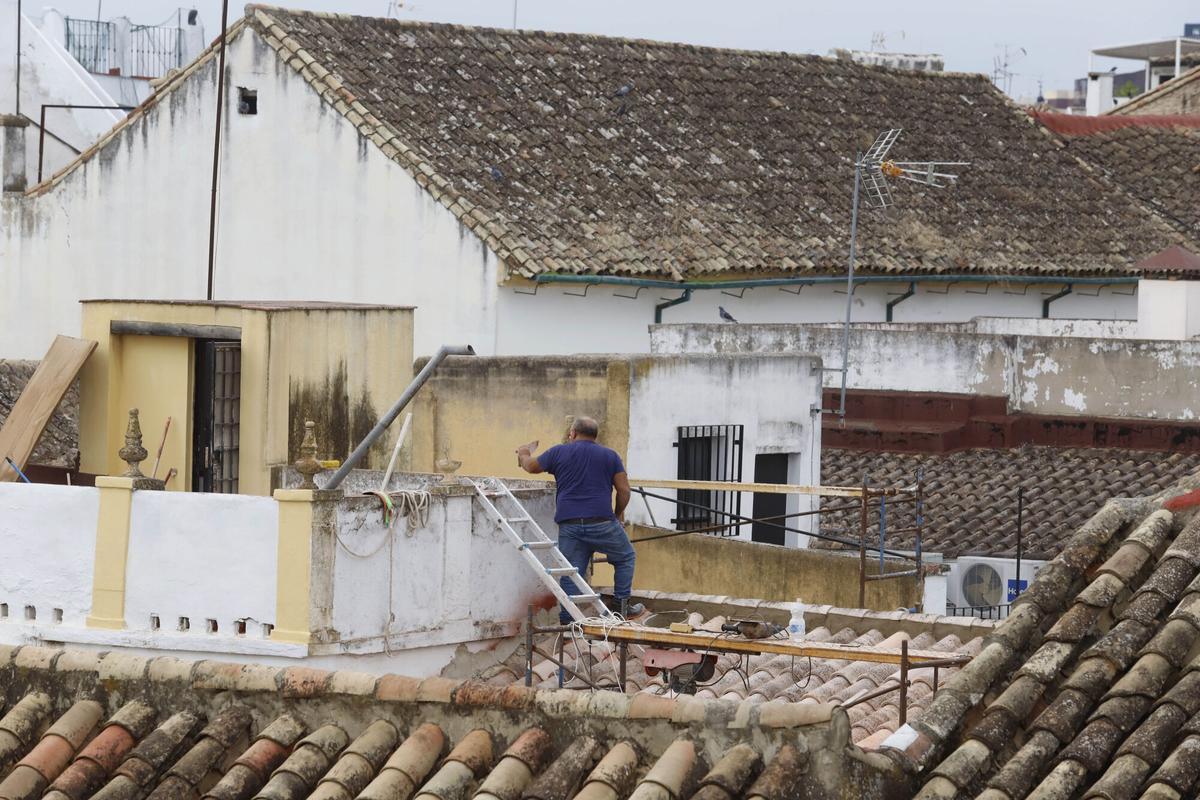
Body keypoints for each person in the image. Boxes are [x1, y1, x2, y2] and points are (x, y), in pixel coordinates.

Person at [516, 416, 644, 621]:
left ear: (573, 433)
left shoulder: (559, 452)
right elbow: (624, 491)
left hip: (570, 524)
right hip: (602, 522)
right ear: (595, 436)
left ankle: (568, 621)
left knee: (571, 572)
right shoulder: (610, 456)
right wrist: (618, 514)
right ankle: (621, 607)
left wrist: (523, 452)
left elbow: (530, 466)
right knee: (625, 556)